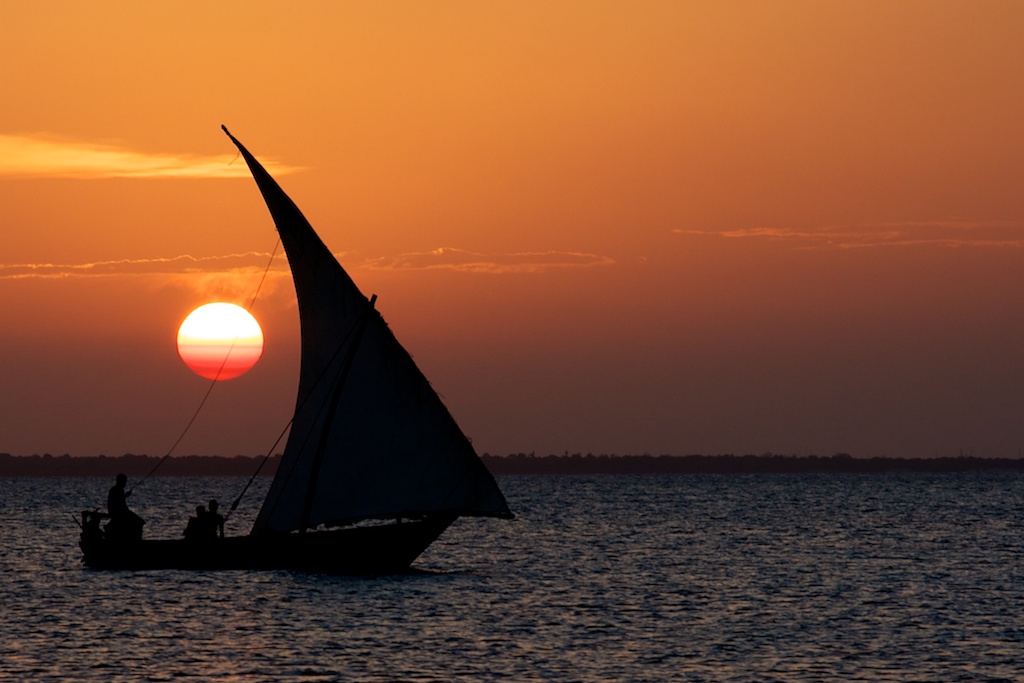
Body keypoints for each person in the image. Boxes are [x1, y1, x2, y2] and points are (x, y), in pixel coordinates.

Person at [105, 473, 145, 541]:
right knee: (139, 522)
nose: (125, 483)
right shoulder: (117, 490)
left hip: (119, 511)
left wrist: (125, 496)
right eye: (124, 481)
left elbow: (120, 501)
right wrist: (125, 496)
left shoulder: (116, 489)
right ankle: (136, 540)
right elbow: (119, 503)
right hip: (118, 512)